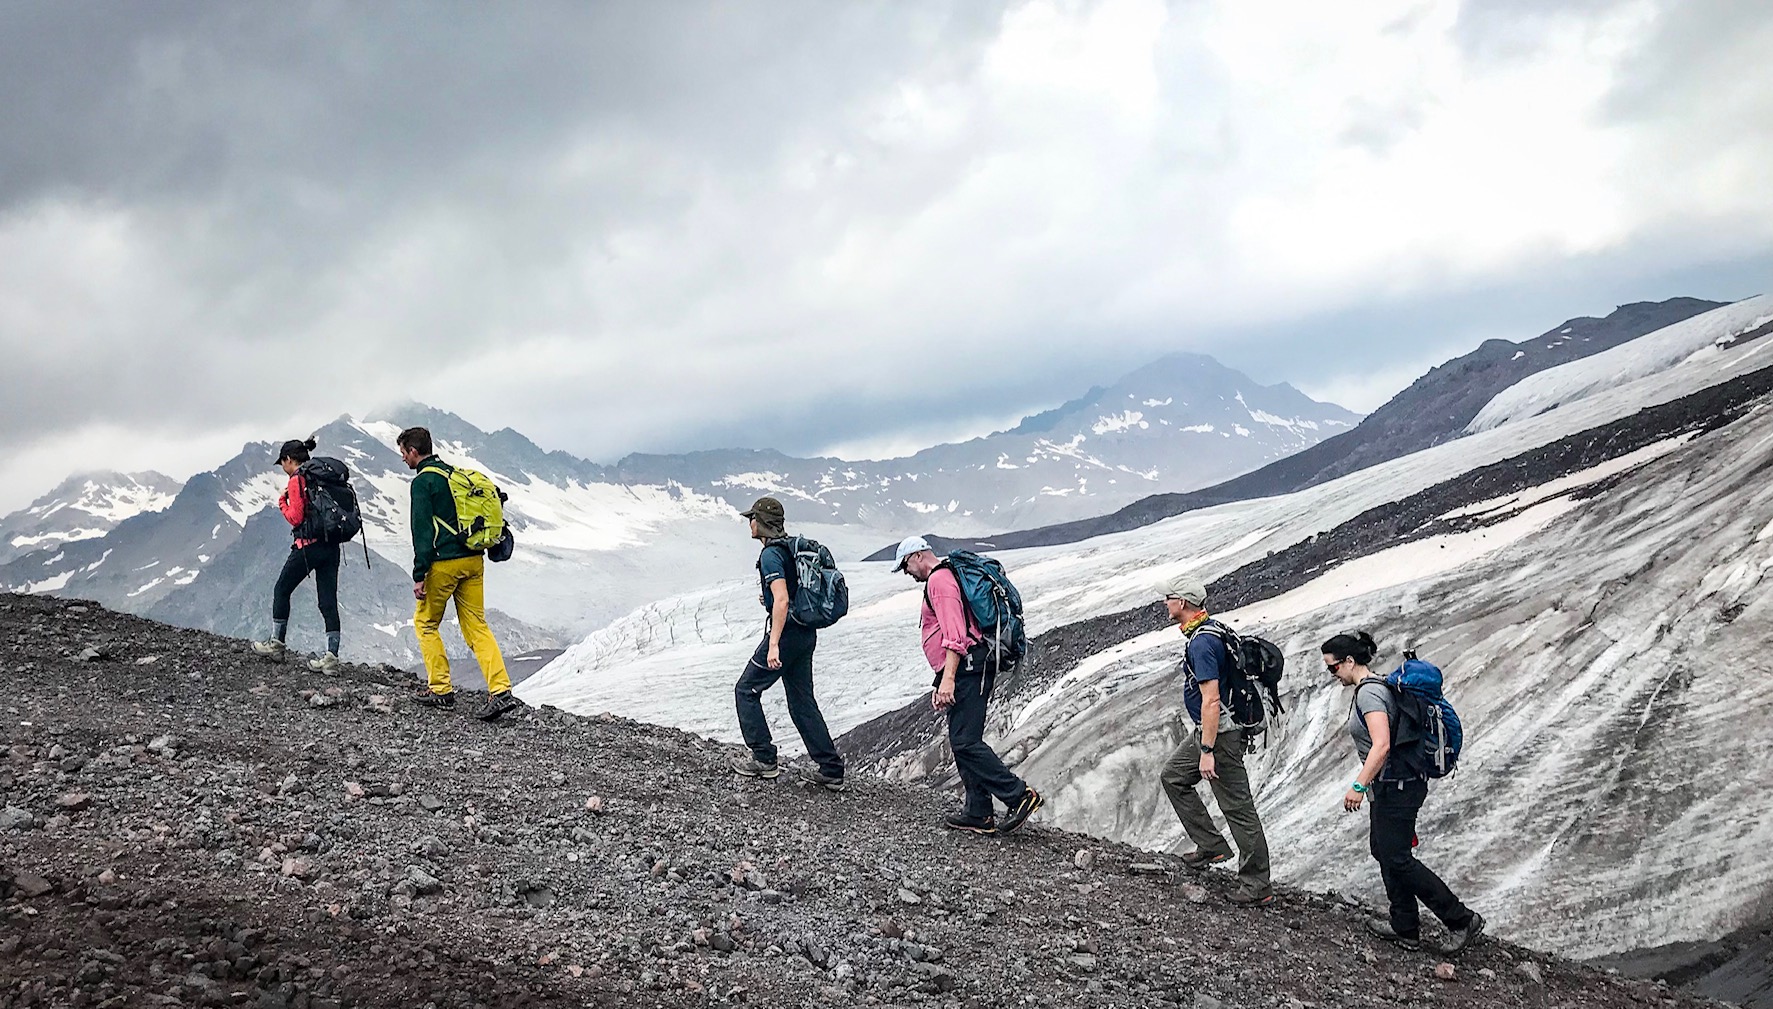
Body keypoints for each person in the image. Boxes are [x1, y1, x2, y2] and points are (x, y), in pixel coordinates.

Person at [1323, 631, 1485, 955]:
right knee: (1384, 850)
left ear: (1350, 661)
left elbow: (1381, 745)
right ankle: (1405, 926)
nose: (1333, 674)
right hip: (1394, 785)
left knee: (1396, 856)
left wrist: (1358, 785)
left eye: (1333, 667)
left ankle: (1460, 919)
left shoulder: (1370, 694)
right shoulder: (1378, 686)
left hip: (1398, 786)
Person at [893, 536, 1042, 835]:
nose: (907, 573)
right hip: (966, 667)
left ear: (919, 555)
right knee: (961, 739)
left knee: (965, 741)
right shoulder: (945, 577)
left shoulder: (939, 581)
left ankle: (1020, 796)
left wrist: (948, 678)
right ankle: (978, 811)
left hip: (968, 667)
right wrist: (942, 679)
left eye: (906, 565)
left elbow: (955, 635)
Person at [1156, 575, 1273, 906]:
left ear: (1182, 603)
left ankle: (1256, 884)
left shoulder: (1202, 643)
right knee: (1174, 776)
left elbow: (1211, 699)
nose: (1164, 603)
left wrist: (1207, 750)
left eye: (1168, 598)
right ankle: (1210, 845)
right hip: (1211, 731)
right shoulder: (1212, 630)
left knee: (1237, 807)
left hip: (1218, 735)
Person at [398, 426, 516, 721]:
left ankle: (441, 689)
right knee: (477, 626)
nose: (403, 459)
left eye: (403, 453)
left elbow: (422, 532)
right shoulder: (454, 475)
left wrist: (419, 573)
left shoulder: (423, 482)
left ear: (413, 451)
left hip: (444, 563)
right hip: (474, 560)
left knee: (425, 623)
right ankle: (500, 690)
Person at [729, 496, 846, 790]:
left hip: (788, 634)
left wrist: (774, 644)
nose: (750, 524)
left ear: (761, 523)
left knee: (746, 689)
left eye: (751, 518)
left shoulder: (771, 555)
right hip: (806, 633)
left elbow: (781, 600)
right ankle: (831, 769)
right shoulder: (791, 548)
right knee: (802, 701)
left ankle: (764, 758)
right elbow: (787, 594)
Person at [251, 438, 343, 673]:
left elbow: (296, 517)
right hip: (331, 546)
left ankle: (277, 645)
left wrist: (282, 501)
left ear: (288, 460)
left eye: (282, 463)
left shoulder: (297, 479)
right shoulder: (321, 476)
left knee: (282, 589)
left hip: (308, 546)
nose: (283, 468)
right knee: (328, 601)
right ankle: (331, 658)